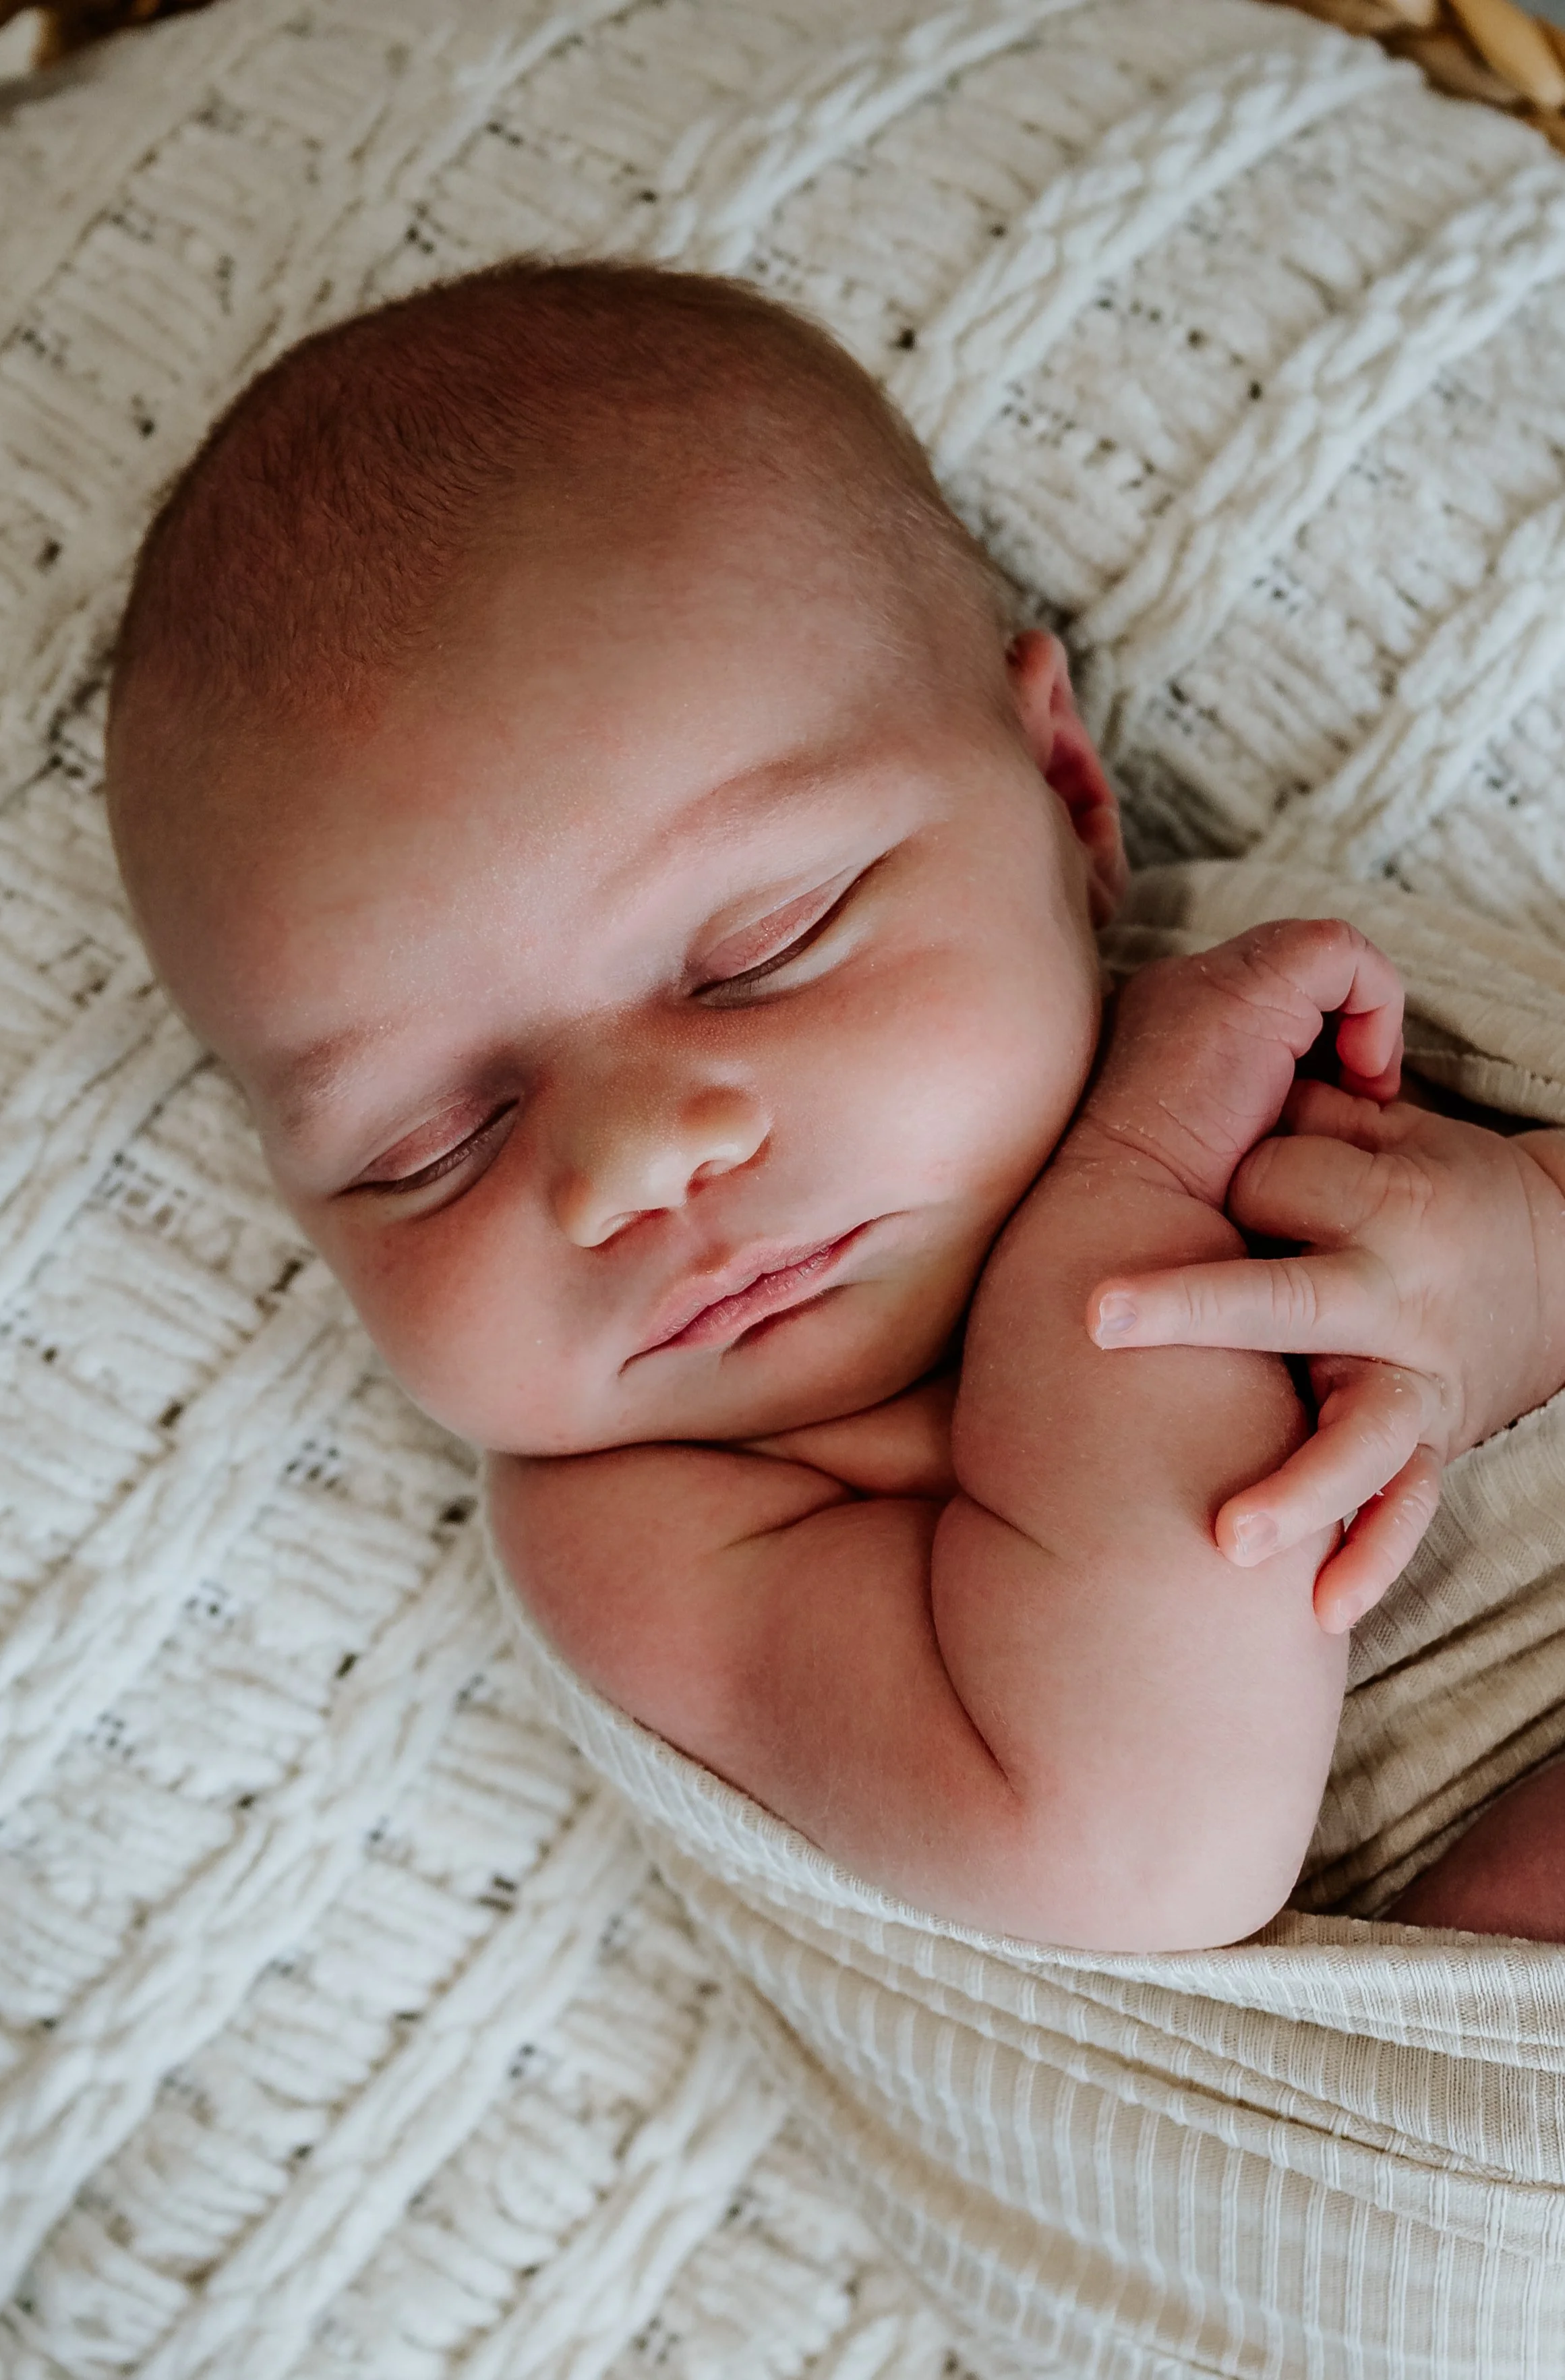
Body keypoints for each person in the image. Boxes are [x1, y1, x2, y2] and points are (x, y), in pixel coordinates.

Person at [102, 258, 1565, 1954]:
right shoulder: (646, 1526)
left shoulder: (1277, 989)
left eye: (760, 952)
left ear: (1070, 803)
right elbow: (1142, 1844)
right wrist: (1137, 1183)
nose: (629, 1165)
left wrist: (1523, 1267)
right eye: (431, 1146)